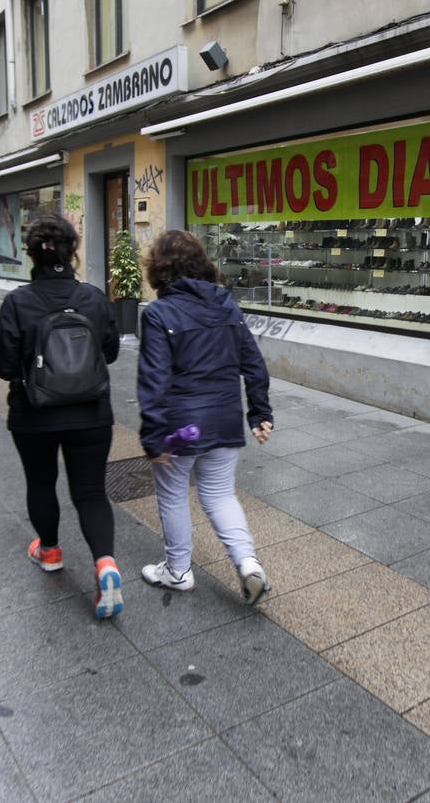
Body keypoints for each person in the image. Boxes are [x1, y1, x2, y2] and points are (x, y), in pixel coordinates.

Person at [0, 215, 124, 618]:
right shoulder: (94, 298)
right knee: (92, 493)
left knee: (41, 482)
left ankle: (49, 551)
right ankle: (105, 565)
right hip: (92, 413)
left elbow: (1, 362)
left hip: (34, 415)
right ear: (72, 251)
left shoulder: (18, 301)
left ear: (30, 254)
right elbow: (111, 352)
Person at [137, 229, 274, 605]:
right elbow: (253, 362)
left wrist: (152, 436)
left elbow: (153, 379)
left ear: (158, 269)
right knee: (219, 494)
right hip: (225, 419)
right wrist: (259, 411)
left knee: (172, 493)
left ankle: (178, 570)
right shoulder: (225, 304)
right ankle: (248, 565)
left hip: (181, 427)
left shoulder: (159, 313)